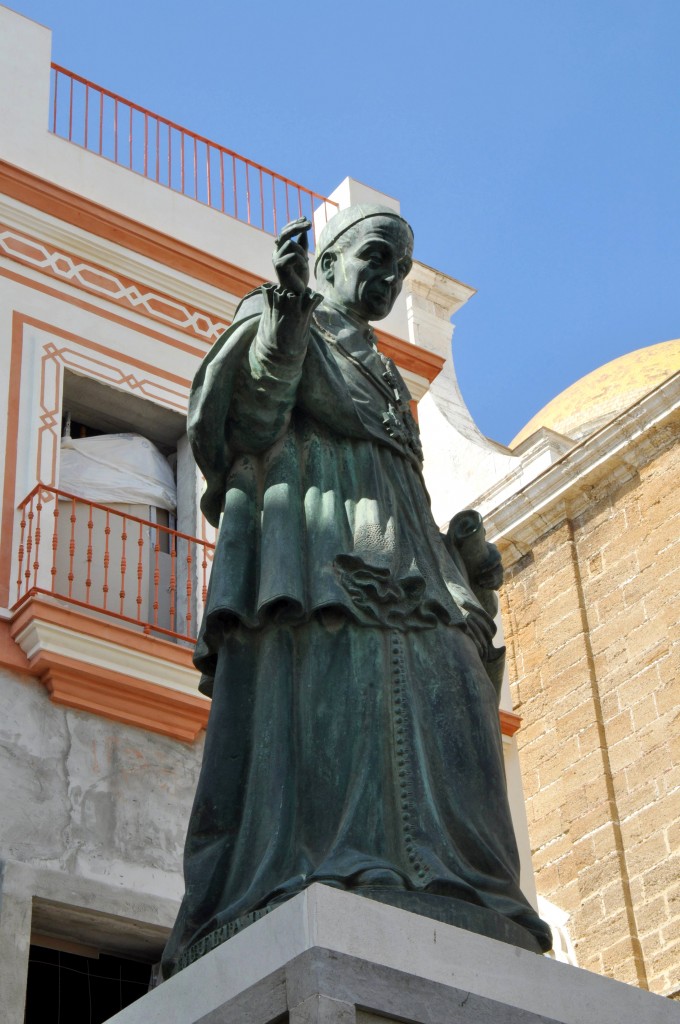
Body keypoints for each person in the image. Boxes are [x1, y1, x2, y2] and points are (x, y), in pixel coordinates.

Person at [161, 205, 551, 977]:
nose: (388, 278)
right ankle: (330, 863)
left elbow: (400, 479)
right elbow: (245, 420)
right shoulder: (280, 313)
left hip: (412, 557)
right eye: (376, 256)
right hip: (319, 550)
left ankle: (462, 883)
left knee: (456, 693)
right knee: (338, 692)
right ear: (331, 261)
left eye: (400, 270)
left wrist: (460, 560)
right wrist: (287, 318)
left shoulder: (383, 368)